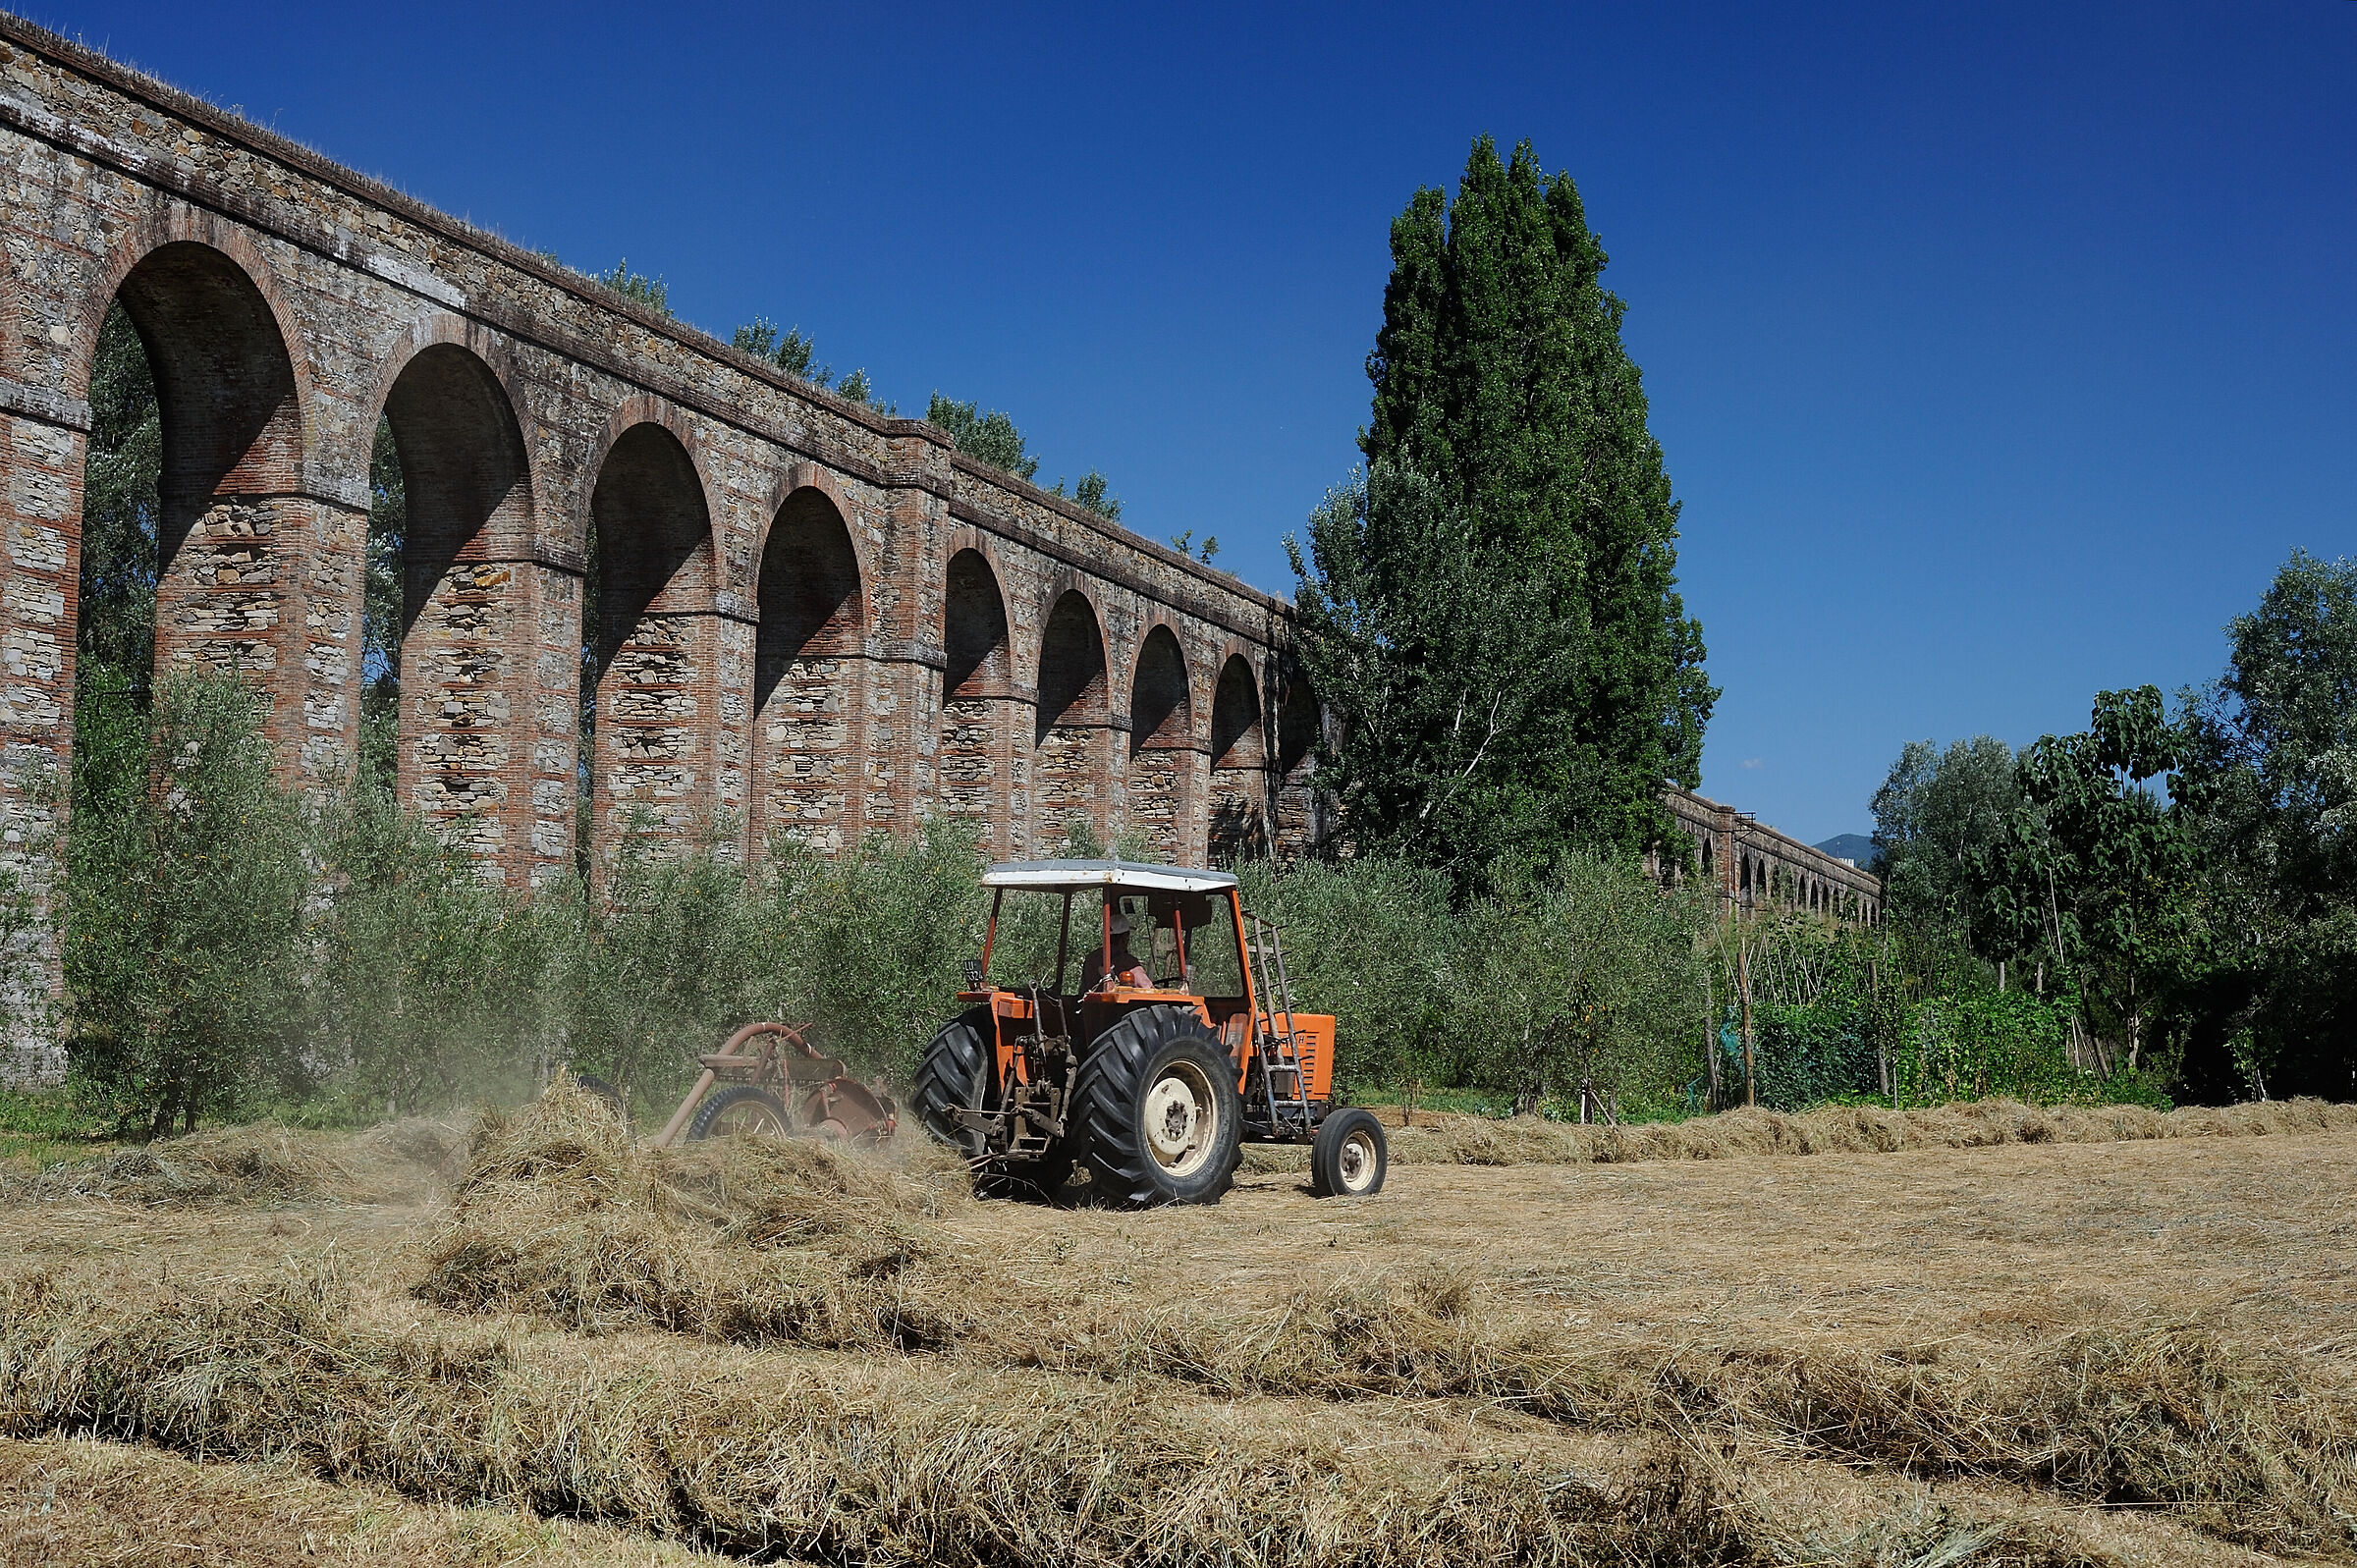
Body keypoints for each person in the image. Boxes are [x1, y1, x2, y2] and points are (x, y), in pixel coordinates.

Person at [1079, 909, 1154, 993]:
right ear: (1123, 939)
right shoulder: (1128, 962)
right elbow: (1146, 987)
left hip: (1090, 1005)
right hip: (1120, 1005)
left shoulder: (1091, 959)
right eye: (1127, 938)